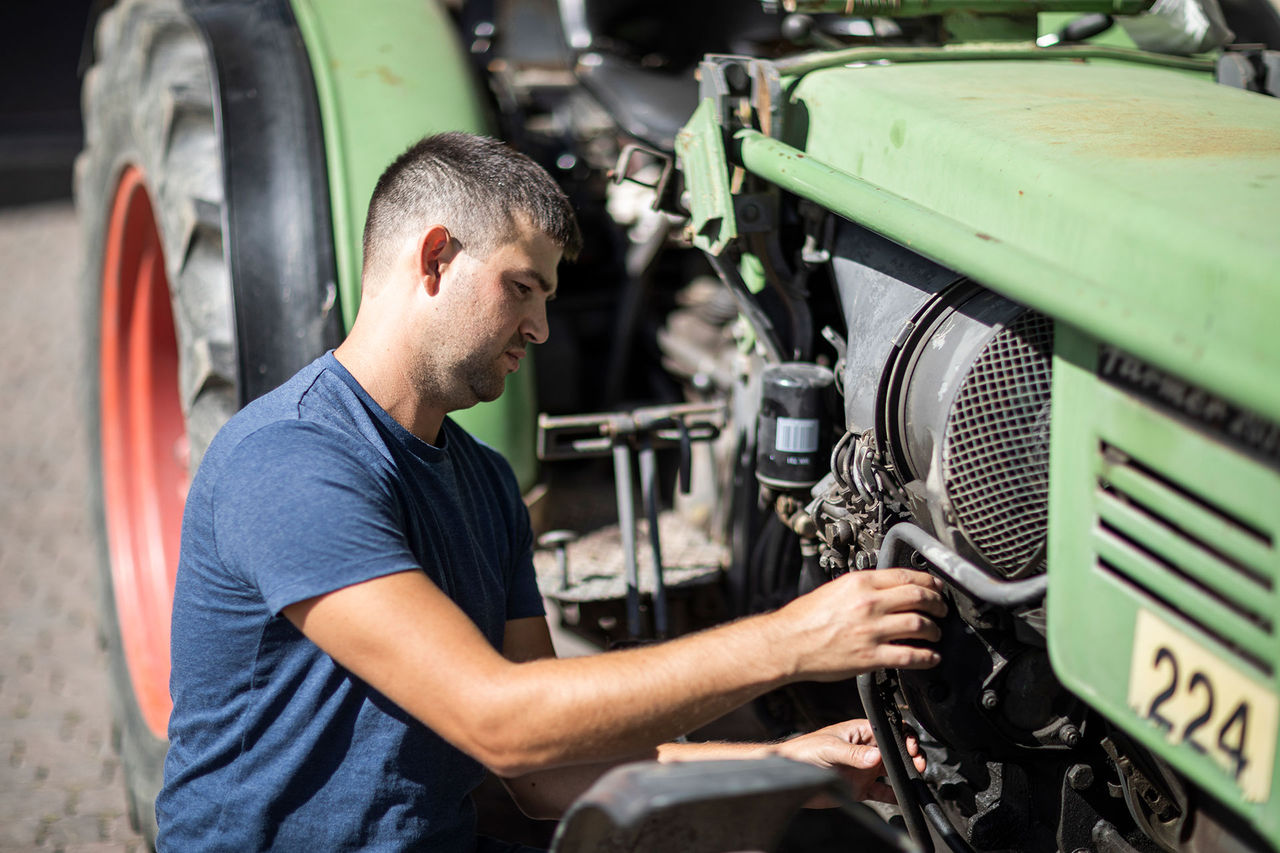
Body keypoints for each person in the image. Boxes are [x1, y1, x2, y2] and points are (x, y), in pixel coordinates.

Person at [155, 132, 946, 852]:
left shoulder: (483, 482)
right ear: (434, 258)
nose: (538, 328)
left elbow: (545, 771)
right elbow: (500, 720)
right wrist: (791, 642)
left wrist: (782, 765)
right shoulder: (292, 459)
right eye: (521, 287)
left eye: (546, 301)